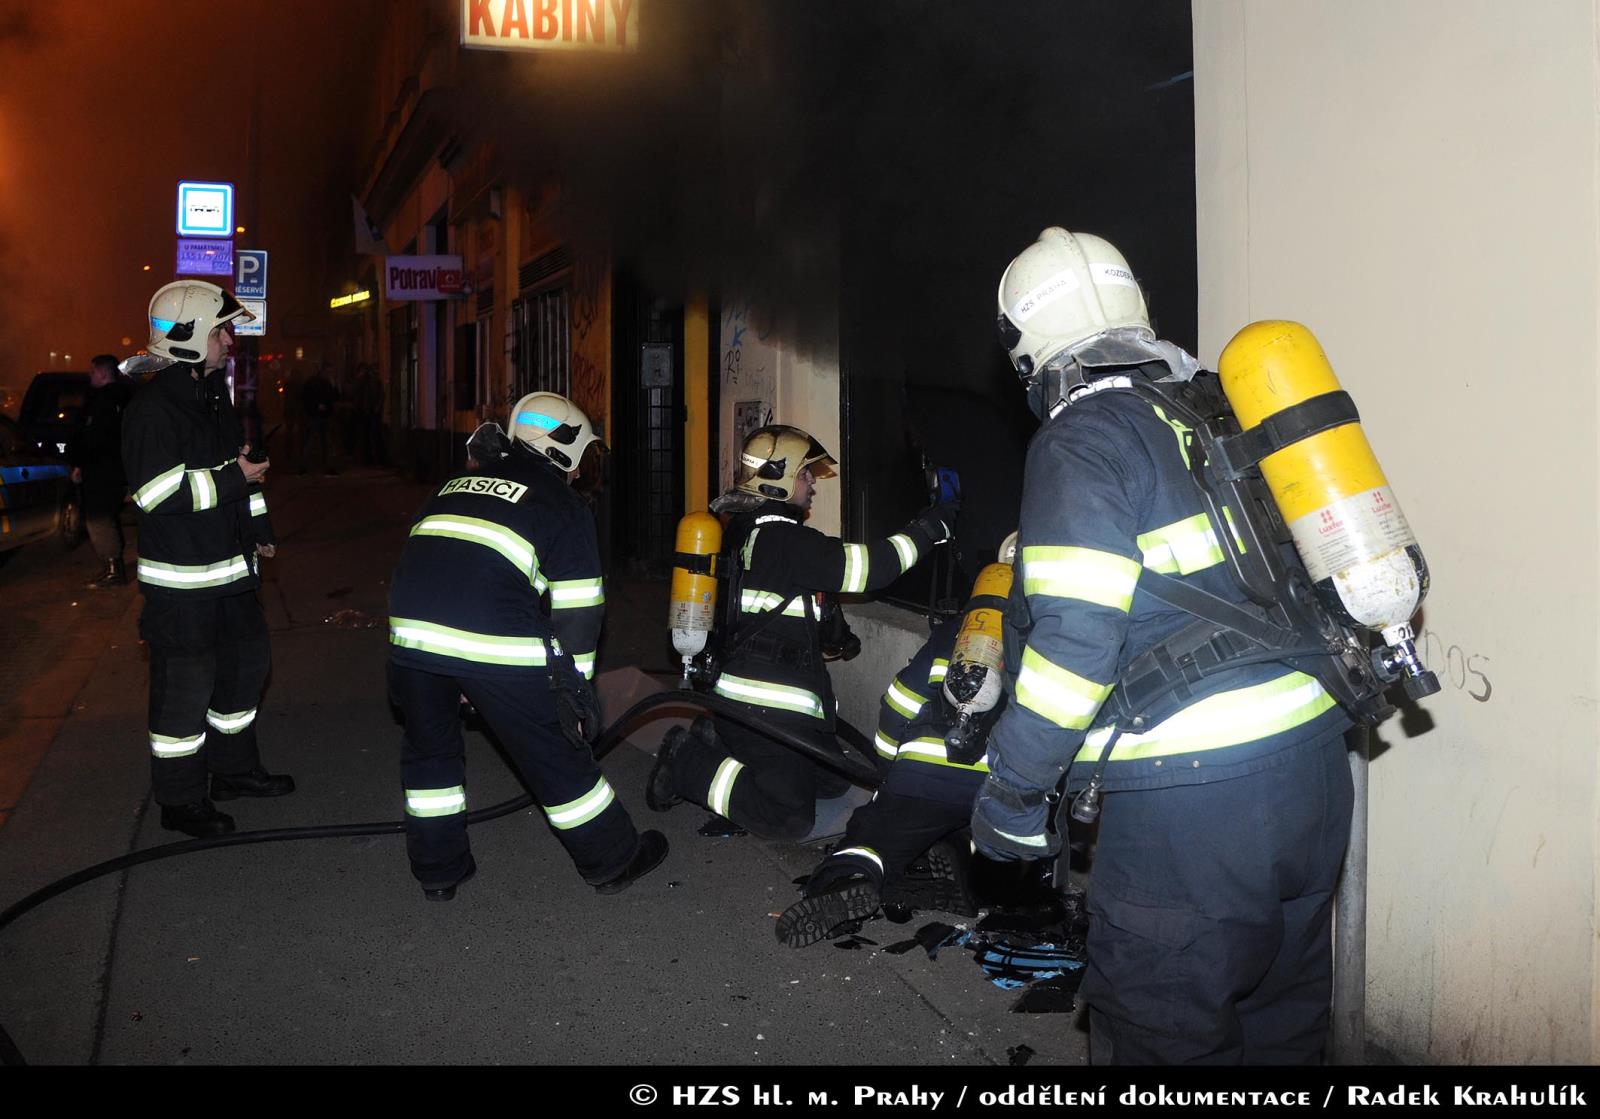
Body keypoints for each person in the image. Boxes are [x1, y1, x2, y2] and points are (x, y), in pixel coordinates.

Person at [971, 228, 1352, 1064]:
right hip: (1315, 773)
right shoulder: (1214, 411)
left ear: (1025, 347)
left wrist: (1013, 792)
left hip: (1194, 812)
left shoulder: (1083, 439)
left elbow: (1076, 646)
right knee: (1281, 1022)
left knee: (1160, 1035)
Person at [386, 391, 667, 900]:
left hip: (411, 636)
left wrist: (455, 669)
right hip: (489, 638)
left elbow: (432, 559)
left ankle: (439, 871)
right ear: (565, 448)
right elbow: (580, 610)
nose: (581, 471)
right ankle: (613, 859)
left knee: (429, 752)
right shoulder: (560, 502)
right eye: (583, 458)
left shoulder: (453, 483)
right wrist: (572, 693)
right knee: (553, 752)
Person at [647, 424, 958, 842]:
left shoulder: (745, 532)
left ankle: (720, 740)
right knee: (789, 819)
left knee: (833, 783)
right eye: (804, 473)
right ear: (777, 478)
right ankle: (686, 763)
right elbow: (873, 569)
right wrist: (929, 529)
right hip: (761, 706)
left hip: (763, 702)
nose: (812, 482)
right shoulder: (785, 542)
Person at [122, 281, 294, 839]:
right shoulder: (154, 410)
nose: (229, 340)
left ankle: (233, 772)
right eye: (221, 330)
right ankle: (180, 801)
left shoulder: (212, 397)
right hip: (182, 588)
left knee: (245, 674)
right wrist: (234, 478)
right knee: (185, 693)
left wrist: (259, 526)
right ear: (191, 336)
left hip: (232, 574)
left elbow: (238, 474)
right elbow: (156, 494)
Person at [69, 354, 134, 589]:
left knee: (99, 519)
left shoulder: (104, 402)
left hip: (102, 472)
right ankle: (111, 567)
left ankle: (113, 571)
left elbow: (93, 438)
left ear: (103, 373)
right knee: (105, 518)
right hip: (113, 470)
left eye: (93, 372)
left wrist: (79, 462)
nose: (90, 376)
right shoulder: (122, 399)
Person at [299, 363, 339, 475]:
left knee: (317, 442)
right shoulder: (319, 383)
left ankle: (306, 467)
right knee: (321, 442)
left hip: (318, 415)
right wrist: (318, 406)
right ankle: (325, 466)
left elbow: (334, 397)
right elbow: (333, 396)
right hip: (318, 415)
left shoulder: (318, 383)